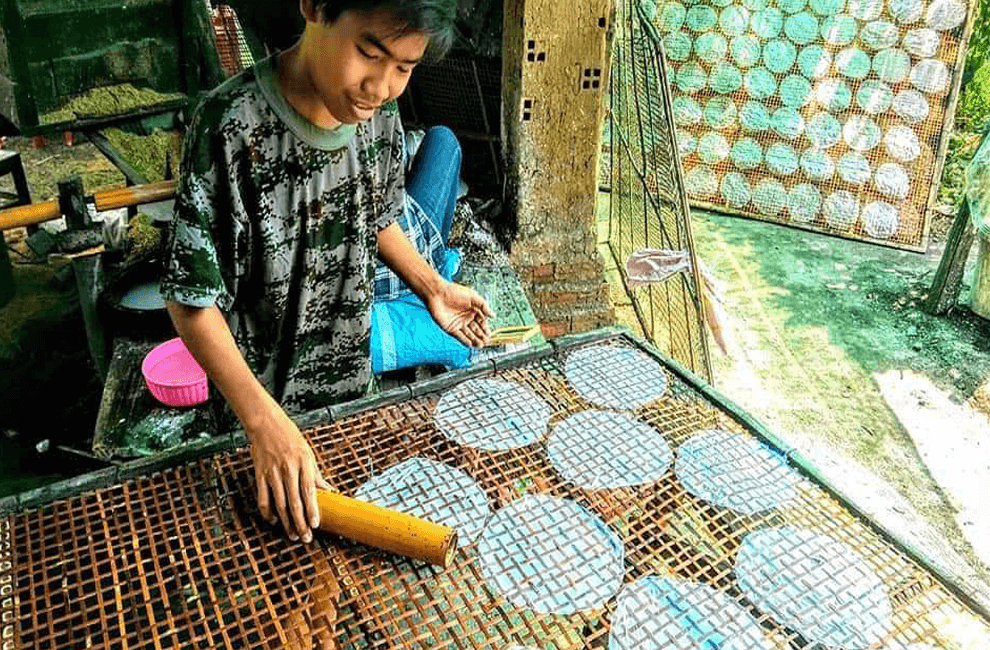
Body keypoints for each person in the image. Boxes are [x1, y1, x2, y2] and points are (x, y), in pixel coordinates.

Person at [161, 0, 492, 546]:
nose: (381, 86)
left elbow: (376, 216)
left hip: (347, 400)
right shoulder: (230, 126)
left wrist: (432, 285)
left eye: (405, 68)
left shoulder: (379, 119)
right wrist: (264, 425)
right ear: (315, 7)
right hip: (259, 422)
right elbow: (192, 301)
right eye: (370, 53)